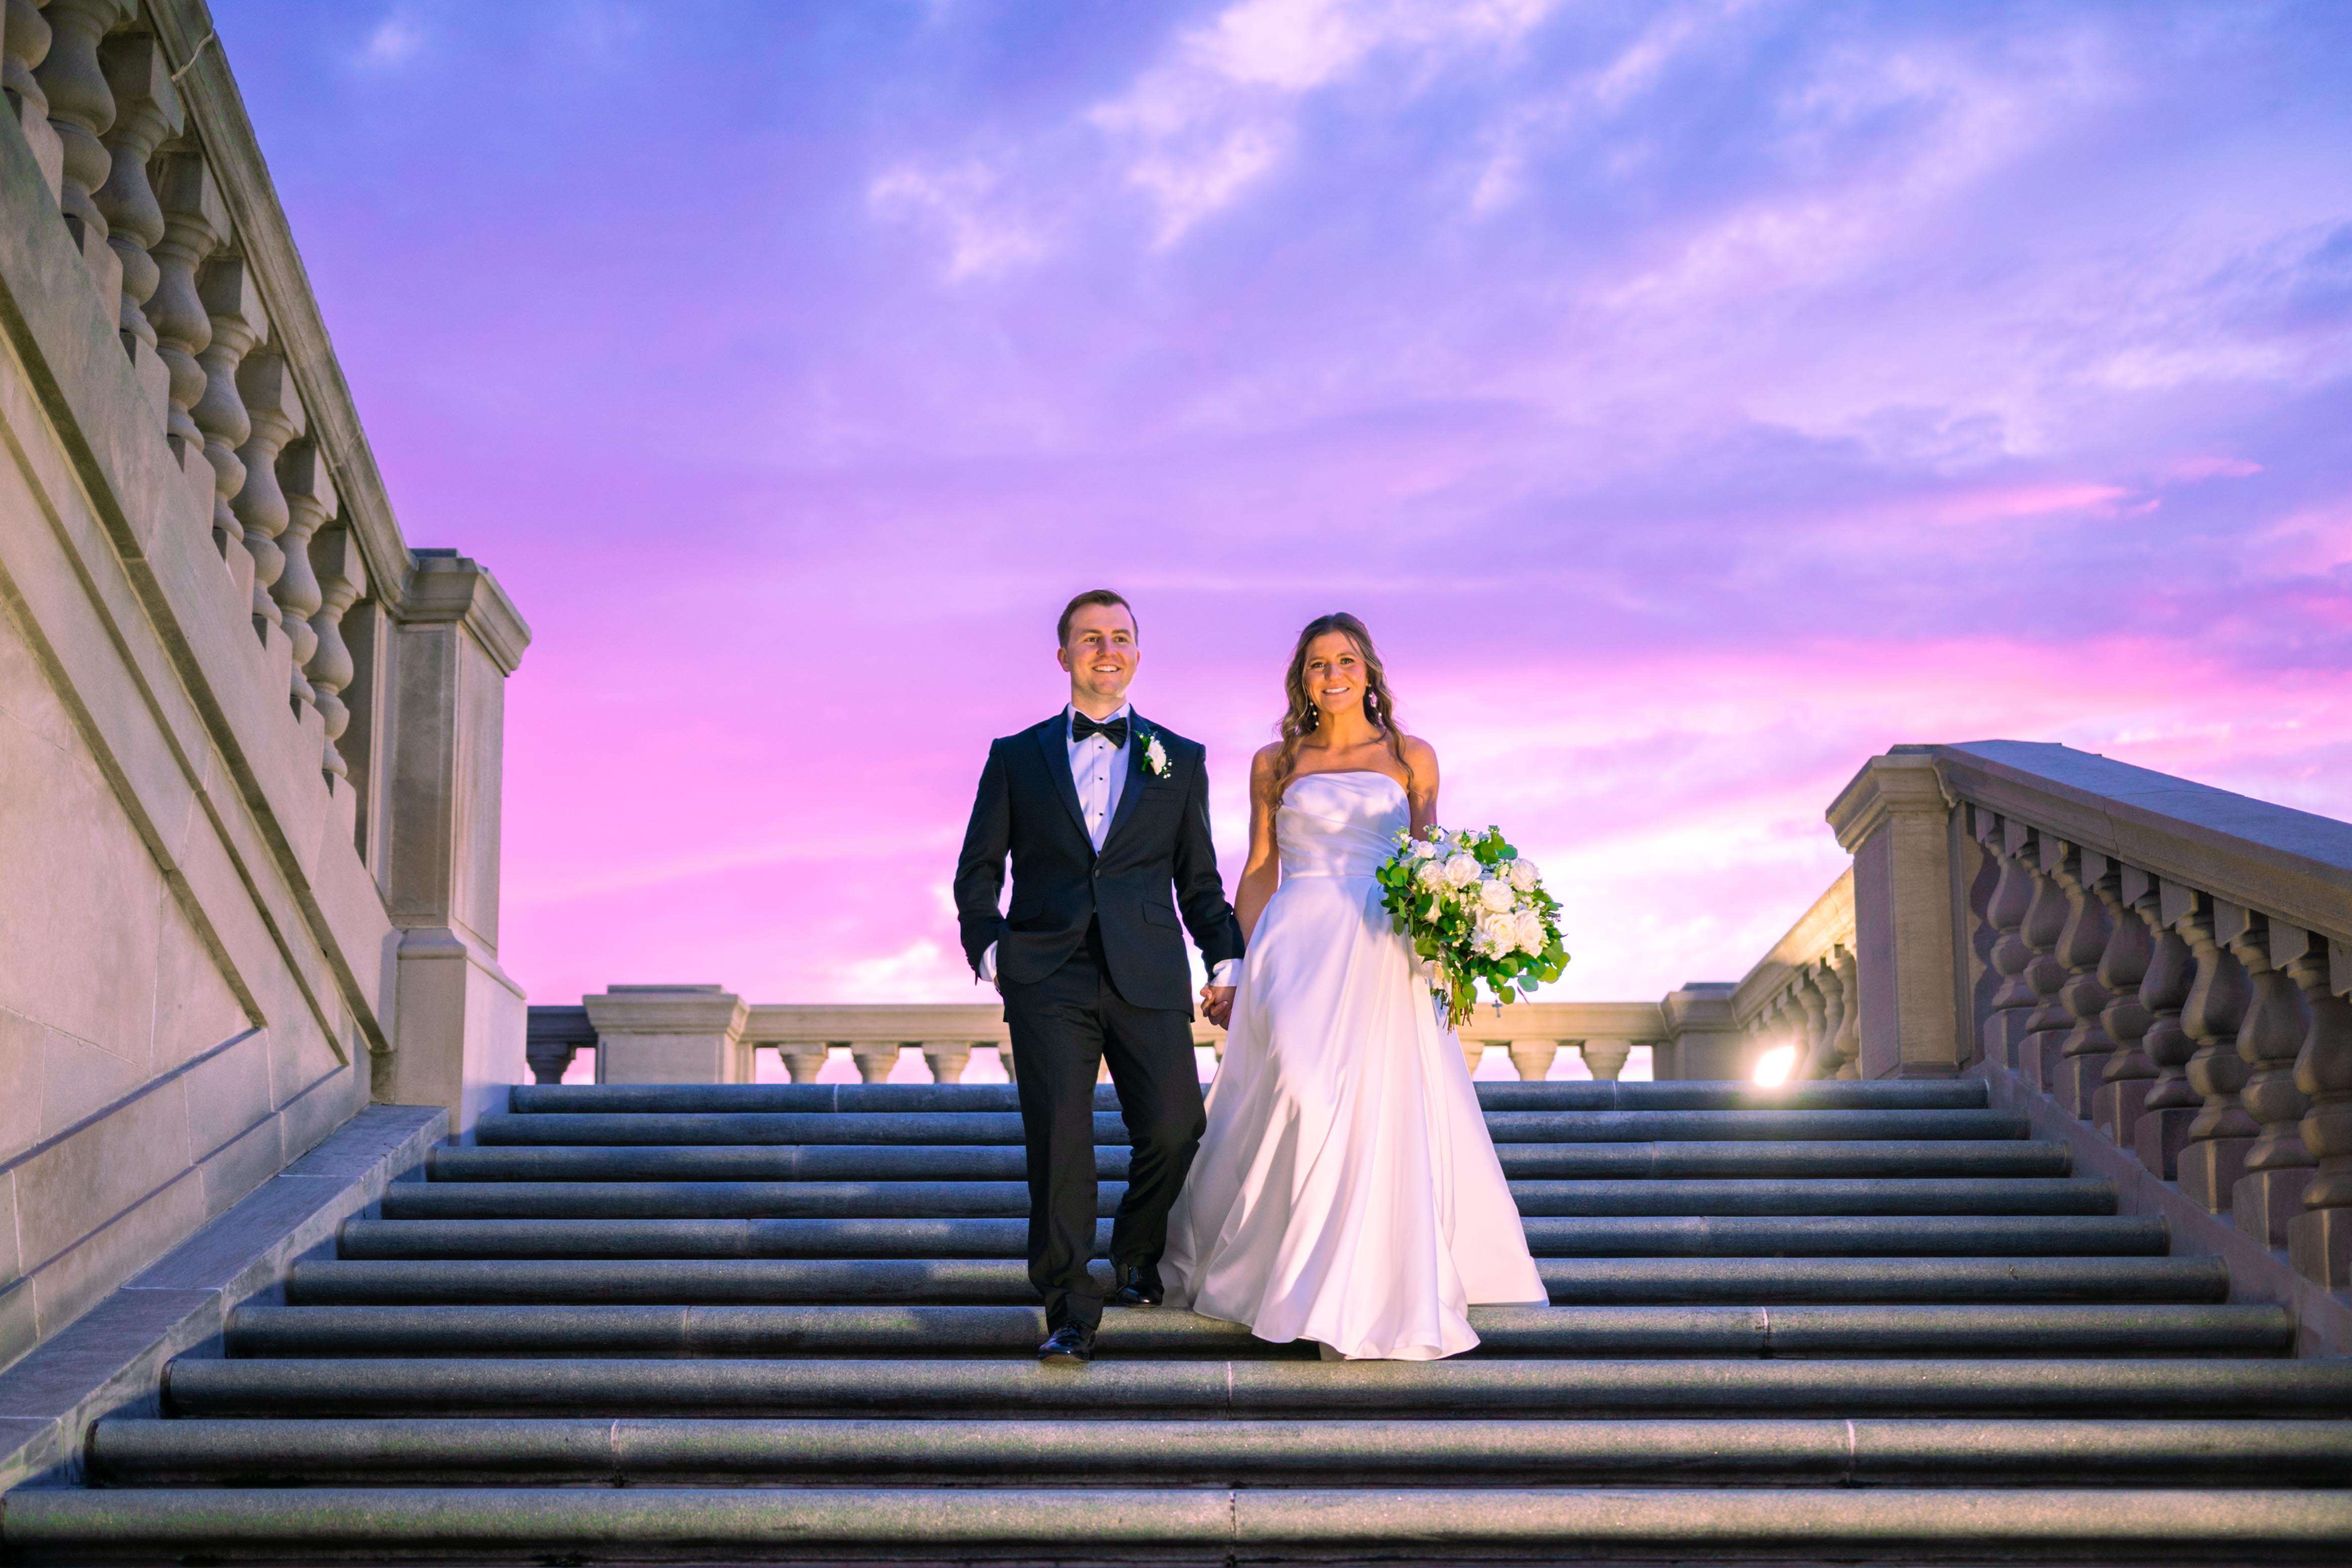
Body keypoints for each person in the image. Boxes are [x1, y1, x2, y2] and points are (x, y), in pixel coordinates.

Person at [1163, 612, 1546, 1360]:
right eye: (1316, 664)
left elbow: (1433, 859)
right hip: (1296, 939)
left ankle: (1352, 1292)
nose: (1331, 675)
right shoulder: (1276, 761)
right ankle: (1287, 1272)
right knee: (1302, 1091)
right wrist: (1235, 964)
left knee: (1378, 1107)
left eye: (1344, 661)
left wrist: (1460, 938)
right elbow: (1259, 867)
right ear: (1301, 679)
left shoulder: (1412, 757)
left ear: (1369, 670)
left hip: (1383, 947)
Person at [953, 590, 1246, 1365]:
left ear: (1138, 655)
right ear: (1064, 656)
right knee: (1060, 1141)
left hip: (1147, 972)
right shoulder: (1015, 756)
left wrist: (1229, 961)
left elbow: (1200, 881)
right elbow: (976, 871)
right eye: (1090, 638)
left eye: (1120, 637)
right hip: (1046, 975)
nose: (1105, 650)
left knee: (1176, 1127)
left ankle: (1134, 1254)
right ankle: (1069, 1307)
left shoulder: (1180, 759)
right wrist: (993, 953)